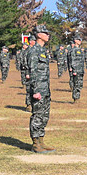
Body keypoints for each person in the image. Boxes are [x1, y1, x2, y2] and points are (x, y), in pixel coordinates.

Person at [24, 25, 54, 153]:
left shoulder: (43, 50)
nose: (48, 35)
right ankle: (35, 143)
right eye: (45, 33)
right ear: (39, 35)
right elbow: (33, 71)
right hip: (38, 89)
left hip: (45, 88)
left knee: (44, 115)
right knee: (37, 115)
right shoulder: (33, 51)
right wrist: (36, 90)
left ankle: (41, 140)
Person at [67, 35, 86, 103]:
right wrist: (74, 70)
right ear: (75, 40)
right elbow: (72, 61)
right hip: (76, 70)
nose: (80, 41)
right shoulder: (73, 50)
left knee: (80, 84)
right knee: (76, 84)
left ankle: (78, 97)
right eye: (79, 40)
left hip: (80, 69)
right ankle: (76, 98)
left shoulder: (80, 50)